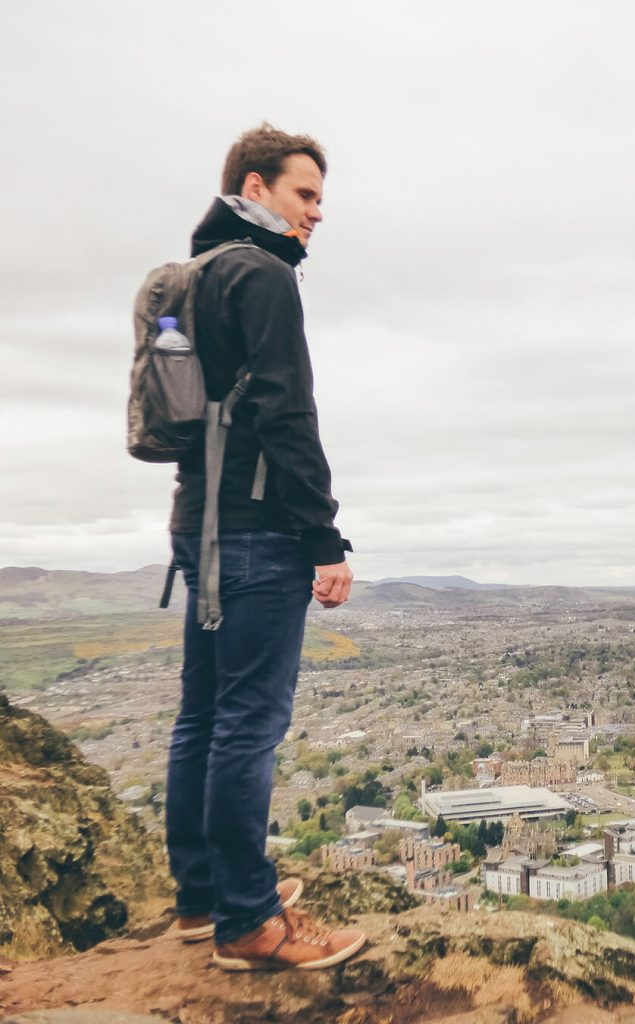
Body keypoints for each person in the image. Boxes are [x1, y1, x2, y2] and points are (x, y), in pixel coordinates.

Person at [165, 124, 364, 970]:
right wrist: (324, 537)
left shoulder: (192, 277)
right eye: (305, 194)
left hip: (198, 526)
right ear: (256, 187)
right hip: (257, 534)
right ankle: (248, 922)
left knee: (202, 716)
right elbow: (287, 414)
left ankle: (202, 896)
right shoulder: (265, 274)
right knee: (248, 726)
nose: (318, 213)